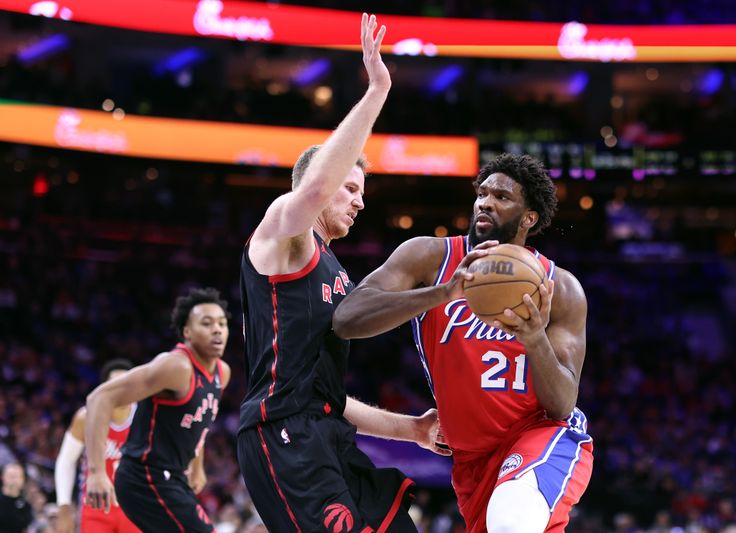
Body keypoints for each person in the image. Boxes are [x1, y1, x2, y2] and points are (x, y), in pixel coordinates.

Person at [237, 13, 447, 533]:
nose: (358, 203)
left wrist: (414, 431)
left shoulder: (335, 271)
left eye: (361, 193)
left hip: (324, 431)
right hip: (281, 433)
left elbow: (333, 399)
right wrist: (377, 91)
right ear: (317, 180)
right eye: (350, 189)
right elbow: (311, 191)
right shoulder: (280, 236)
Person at [333, 153, 594, 533]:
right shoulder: (429, 257)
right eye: (482, 193)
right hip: (471, 459)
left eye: (502, 197)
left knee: (511, 521)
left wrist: (534, 338)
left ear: (529, 217)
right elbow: (346, 320)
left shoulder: (561, 287)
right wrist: (442, 293)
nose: (485, 202)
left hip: (541, 435)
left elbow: (560, 404)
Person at [84, 287, 231, 533]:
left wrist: (197, 466)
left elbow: (200, 421)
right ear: (187, 332)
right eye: (206, 323)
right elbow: (99, 398)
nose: (217, 329)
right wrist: (96, 472)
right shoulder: (175, 367)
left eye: (222, 323)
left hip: (172, 477)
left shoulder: (222, 373)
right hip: (144, 477)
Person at [54, 358, 139, 533]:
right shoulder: (86, 417)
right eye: (115, 384)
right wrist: (64, 507)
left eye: (126, 384)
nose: (121, 390)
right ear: (105, 389)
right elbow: (66, 461)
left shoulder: (146, 416)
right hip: (96, 507)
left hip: (137, 506)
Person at [0, 462, 33, 533]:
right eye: (11, 476)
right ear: (2, 477)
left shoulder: (26, 504)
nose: (15, 480)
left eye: (18, 476)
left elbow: (25, 527)